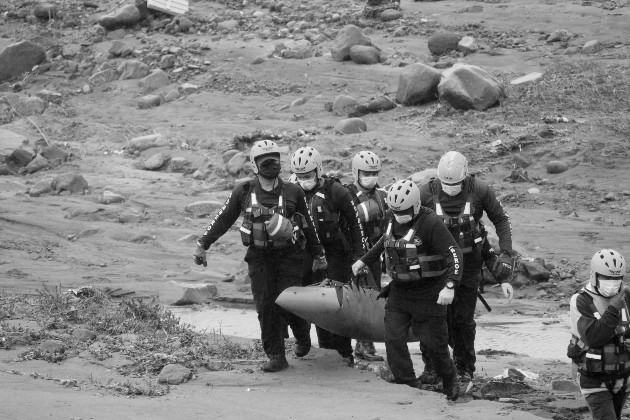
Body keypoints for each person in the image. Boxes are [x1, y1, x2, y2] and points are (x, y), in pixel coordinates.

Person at [193, 140, 328, 373]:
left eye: (275, 159)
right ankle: (276, 356)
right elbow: (223, 218)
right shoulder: (244, 192)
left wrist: (318, 255)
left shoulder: (293, 191)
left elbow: (308, 227)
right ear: (254, 166)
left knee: (289, 303)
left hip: (289, 256)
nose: (270, 164)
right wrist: (203, 244)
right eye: (264, 160)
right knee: (266, 305)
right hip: (258, 257)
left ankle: (302, 335)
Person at [352, 180, 463, 401]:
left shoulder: (430, 223)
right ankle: (407, 382)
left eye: (404, 211)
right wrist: (363, 261)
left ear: (416, 205)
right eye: (396, 211)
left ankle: (450, 380)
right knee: (393, 336)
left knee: (435, 346)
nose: (400, 215)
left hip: (430, 293)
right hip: (400, 292)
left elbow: (455, 255)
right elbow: (384, 243)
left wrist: (450, 286)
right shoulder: (393, 218)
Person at [418, 151, 514, 384]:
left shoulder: (480, 190)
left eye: (456, 184)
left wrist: (506, 255)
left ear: (465, 177)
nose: (451, 188)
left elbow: (500, 220)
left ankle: (464, 368)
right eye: (446, 184)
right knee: (432, 316)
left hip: (470, 263)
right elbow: (403, 221)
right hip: (436, 264)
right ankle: (431, 367)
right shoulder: (424, 193)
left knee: (463, 319)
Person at [291, 146, 366, 366]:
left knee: (337, 305)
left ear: (318, 170)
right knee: (315, 305)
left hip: (336, 255)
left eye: (308, 175)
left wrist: (359, 258)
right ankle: (325, 350)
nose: (304, 180)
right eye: (300, 176)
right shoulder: (292, 192)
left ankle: (345, 353)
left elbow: (355, 225)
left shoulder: (337, 191)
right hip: (307, 255)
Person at [568, 249, 629, 420]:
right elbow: (593, 337)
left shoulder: (627, 296)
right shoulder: (580, 300)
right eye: (607, 278)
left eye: (617, 278)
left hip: (622, 378)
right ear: (594, 276)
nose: (612, 282)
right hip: (593, 378)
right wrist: (614, 308)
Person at [344, 150, 387, 362]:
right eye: (366, 173)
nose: (371, 177)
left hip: (375, 254)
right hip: (356, 255)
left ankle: (362, 345)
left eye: (374, 173)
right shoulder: (347, 194)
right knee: (363, 298)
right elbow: (344, 221)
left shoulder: (382, 195)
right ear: (356, 173)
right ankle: (366, 346)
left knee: (373, 296)